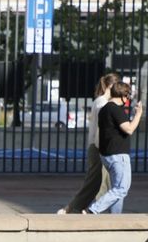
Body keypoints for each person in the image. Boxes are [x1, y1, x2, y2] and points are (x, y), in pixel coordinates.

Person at [58, 73, 119, 214]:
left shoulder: (100, 102)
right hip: (99, 147)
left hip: (97, 146)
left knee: (96, 183)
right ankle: (83, 209)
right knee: (101, 183)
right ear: (110, 86)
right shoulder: (103, 103)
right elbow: (102, 128)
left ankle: (76, 208)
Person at [85, 81, 142, 215]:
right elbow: (129, 129)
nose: (128, 100)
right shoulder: (115, 109)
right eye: (128, 96)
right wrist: (138, 114)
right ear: (123, 95)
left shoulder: (105, 108)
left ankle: (116, 218)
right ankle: (94, 209)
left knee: (117, 189)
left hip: (108, 154)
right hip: (118, 155)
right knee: (122, 188)